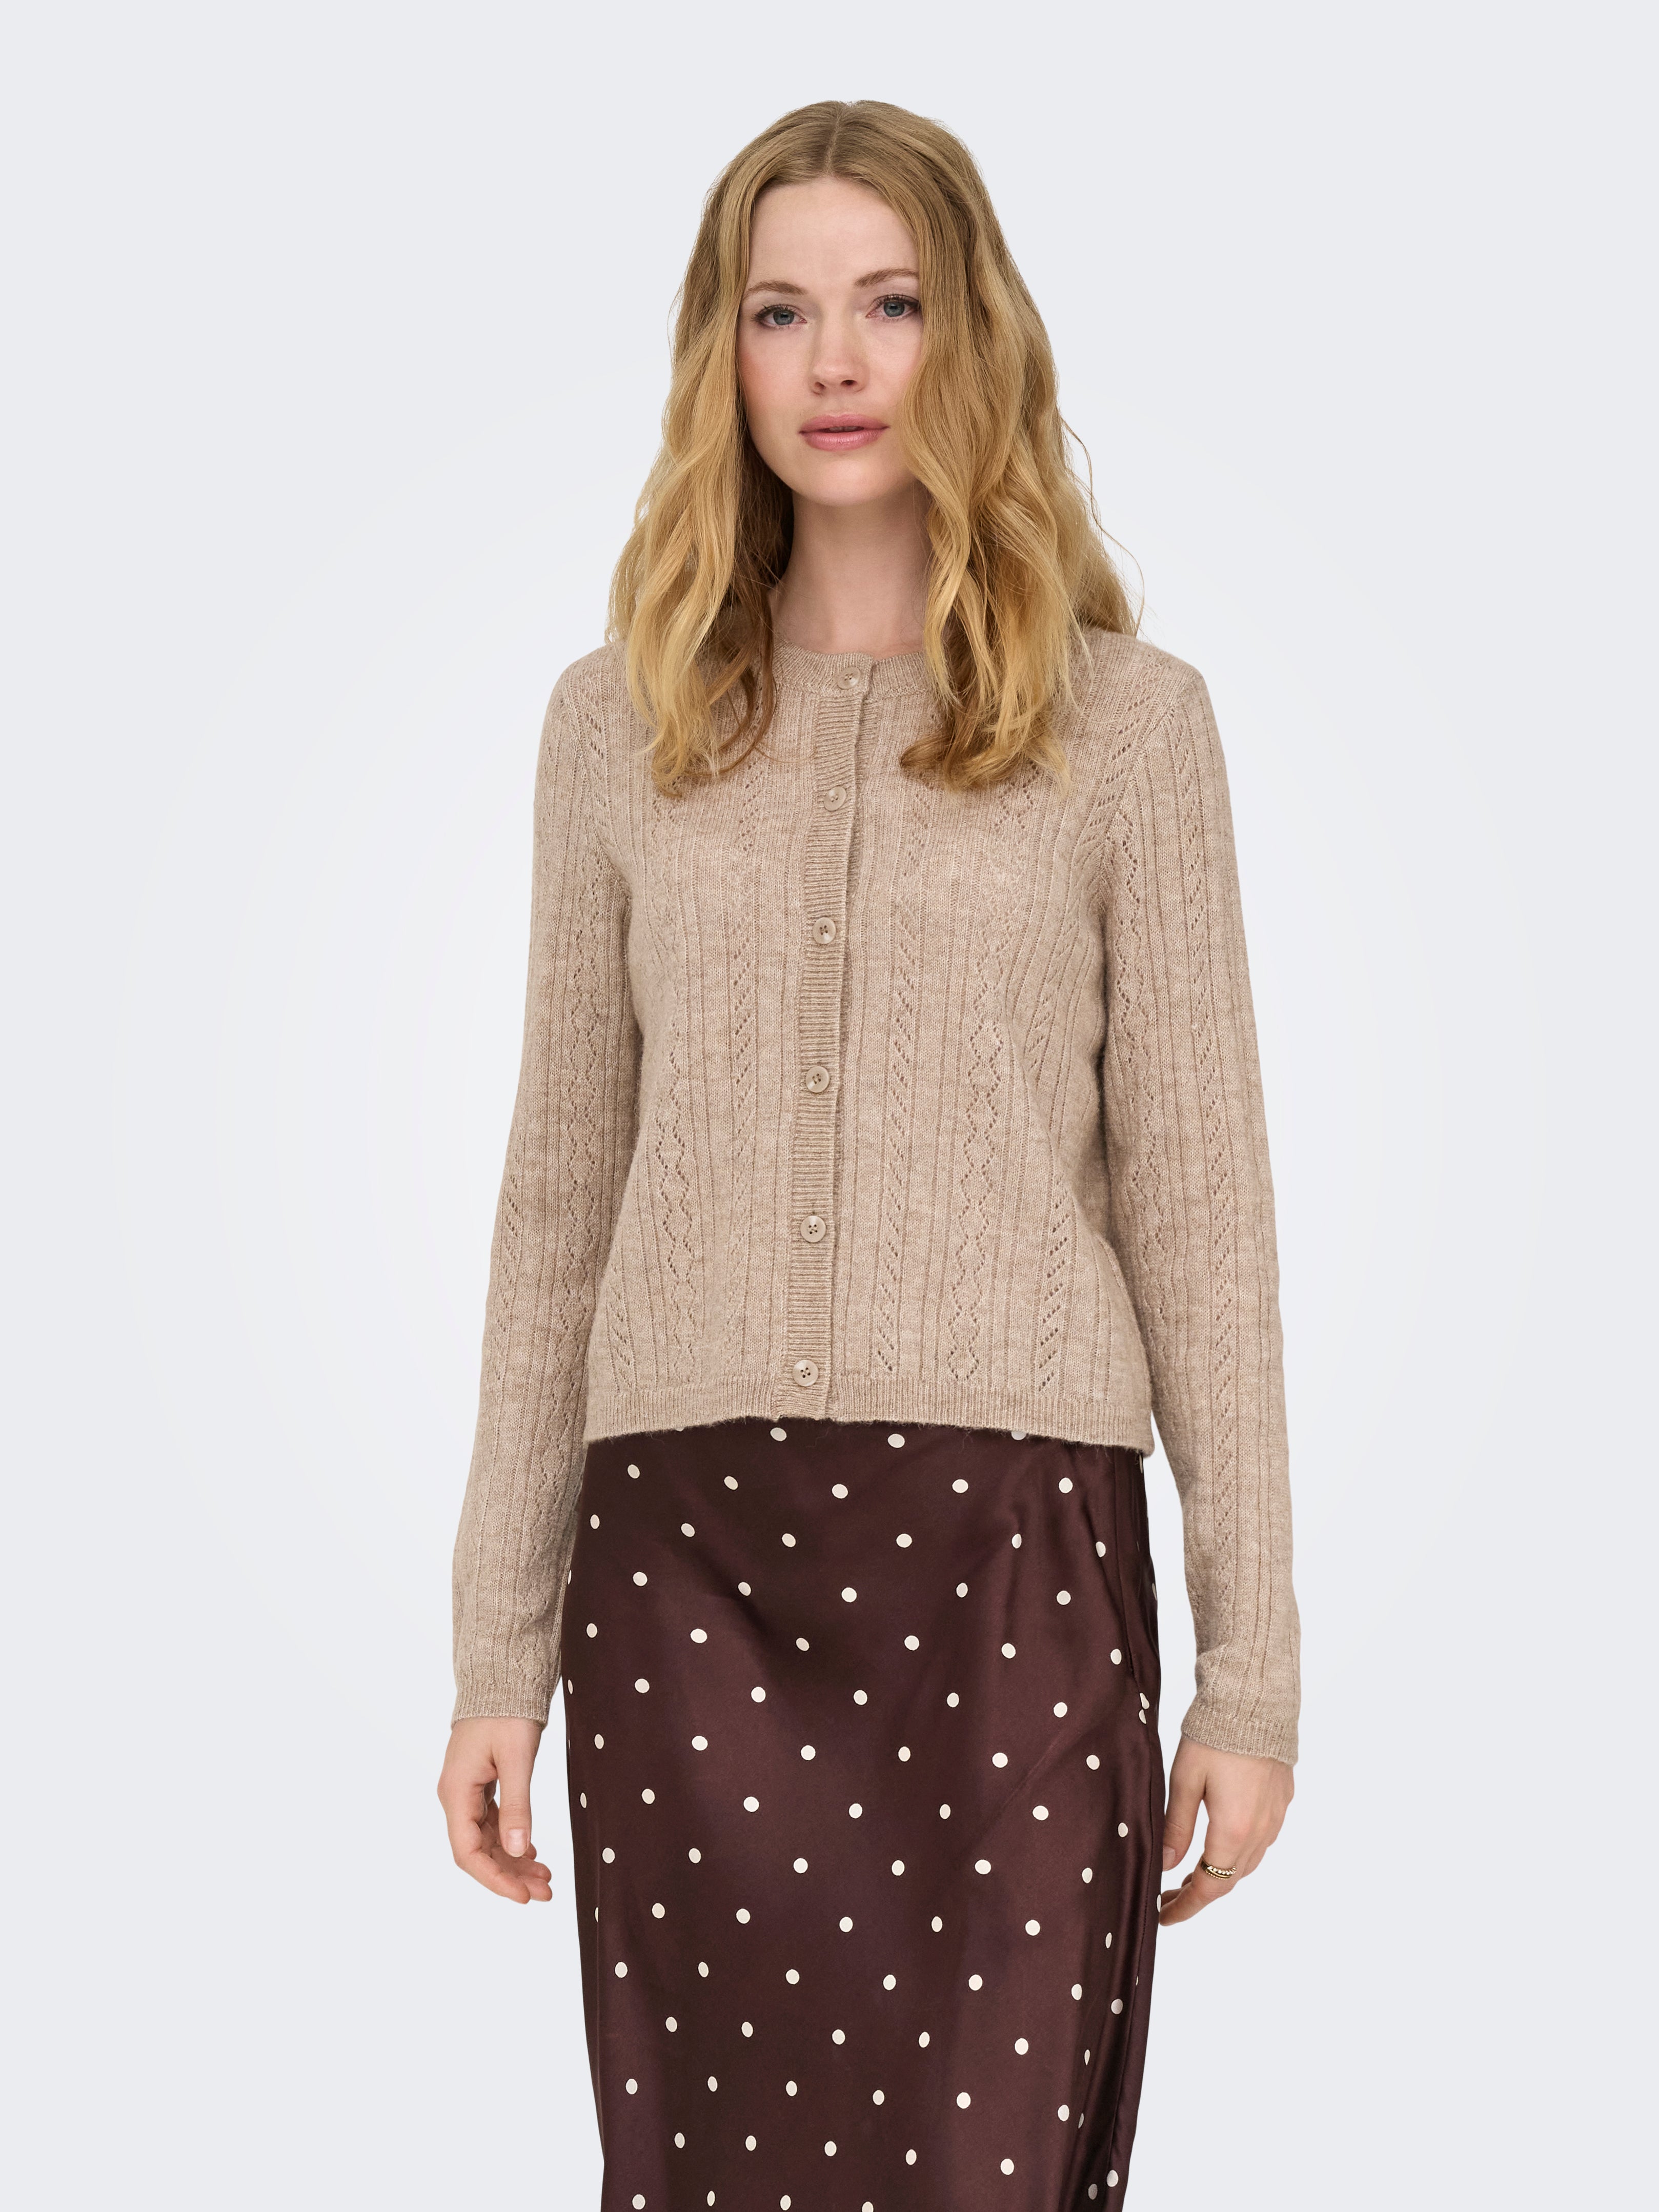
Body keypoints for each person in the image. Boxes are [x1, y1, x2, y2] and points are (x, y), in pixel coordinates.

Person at [437, 97, 1298, 2208]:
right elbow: (557, 1203)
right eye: (780, 311)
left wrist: (1254, 1668)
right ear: (718, 355)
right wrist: (493, 1650)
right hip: (685, 1571)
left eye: (889, 304)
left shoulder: (1131, 728)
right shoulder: (612, 728)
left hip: (1009, 1568)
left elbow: (1203, 1214)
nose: (833, 361)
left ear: (967, 338)